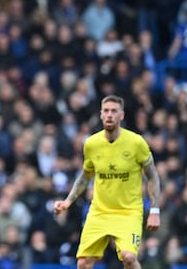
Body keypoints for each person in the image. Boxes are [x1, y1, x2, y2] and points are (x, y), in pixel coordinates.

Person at [54, 94, 161, 269]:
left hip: (128, 211)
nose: (109, 114)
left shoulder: (136, 143)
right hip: (100, 211)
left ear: (122, 115)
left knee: (128, 257)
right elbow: (86, 175)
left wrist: (155, 210)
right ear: (101, 114)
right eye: (106, 111)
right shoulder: (91, 144)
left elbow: (153, 176)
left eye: (114, 111)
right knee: (83, 263)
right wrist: (67, 201)